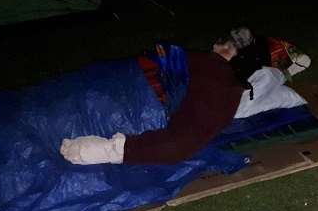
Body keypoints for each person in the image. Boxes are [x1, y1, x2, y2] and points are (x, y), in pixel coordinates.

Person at [60, 34, 247, 166]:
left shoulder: (199, 62)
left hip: (167, 135)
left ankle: (92, 149)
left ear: (219, 45)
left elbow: (160, 57)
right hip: (170, 133)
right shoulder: (234, 88)